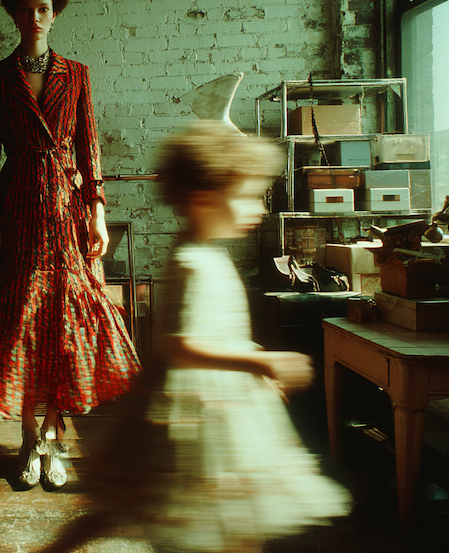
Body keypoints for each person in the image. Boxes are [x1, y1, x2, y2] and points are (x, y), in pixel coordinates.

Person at [39, 121, 350, 552]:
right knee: (130, 503)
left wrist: (251, 355)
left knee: (225, 518)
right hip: (182, 414)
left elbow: (218, 329)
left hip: (219, 408)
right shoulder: (191, 262)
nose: (258, 209)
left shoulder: (207, 254)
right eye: (247, 197)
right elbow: (182, 345)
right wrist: (258, 362)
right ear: (206, 200)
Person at [0, 0, 140, 490]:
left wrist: (97, 209)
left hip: (66, 205)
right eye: (25, 9)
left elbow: (90, 146)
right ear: (12, 14)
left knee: (62, 325)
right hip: (17, 205)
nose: (34, 17)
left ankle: (52, 441)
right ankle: (27, 438)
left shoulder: (76, 74)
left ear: (55, 14)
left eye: (43, 9)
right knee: (21, 324)